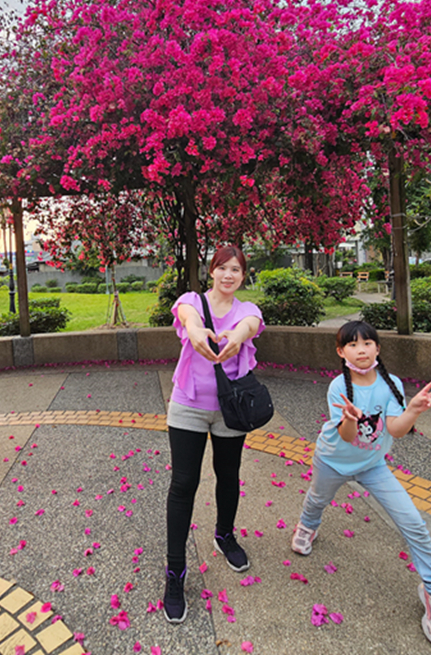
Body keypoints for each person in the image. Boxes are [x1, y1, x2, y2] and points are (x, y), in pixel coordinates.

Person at [290, 320, 431, 649]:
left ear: (378, 348)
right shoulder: (338, 386)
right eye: (352, 344)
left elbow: (395, 429)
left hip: (373, 465)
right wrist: (350, 420)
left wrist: (413, 411)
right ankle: (308, 526)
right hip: (333, 460)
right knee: (317, 500)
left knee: (414, 523)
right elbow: (347, 436)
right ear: (341, 351)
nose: (361, 349)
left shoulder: (390, 383)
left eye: (367, 343)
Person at [163, 245, 264, 624]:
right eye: (222, 268)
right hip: (188, 405)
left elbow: (249, 325)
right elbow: (186, 315)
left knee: (228, 475)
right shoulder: (192, 300)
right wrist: (193, 330)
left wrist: (237, 336)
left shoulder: (246, 309)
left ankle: (224, 535)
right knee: (183, 484)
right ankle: (175, 572)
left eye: (235, 269)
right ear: (211, 271)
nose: (228, 275)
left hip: (230, 409)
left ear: (242, 275)